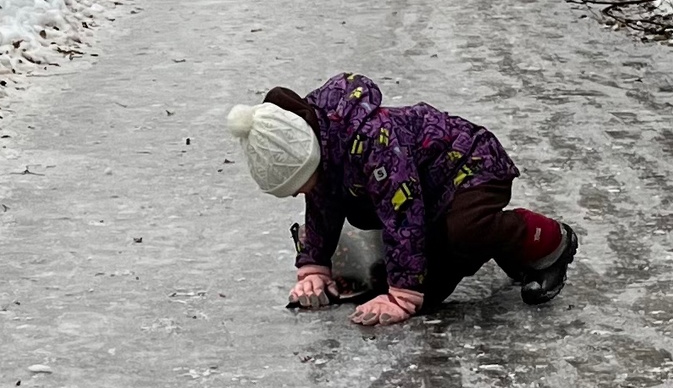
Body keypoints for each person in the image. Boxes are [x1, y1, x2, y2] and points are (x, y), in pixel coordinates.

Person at [225, 75, 579, 326]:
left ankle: (549, 239)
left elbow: (402, 213)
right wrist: (314, 266)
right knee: (420, 285)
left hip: (470, 167)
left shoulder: (375, 139)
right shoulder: (325, 151)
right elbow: (322, 206)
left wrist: (403, 295)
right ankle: (501, 245)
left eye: (302, 183)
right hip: (431, 195)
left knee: (463, 234)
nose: (302, 193)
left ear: (310, 152)